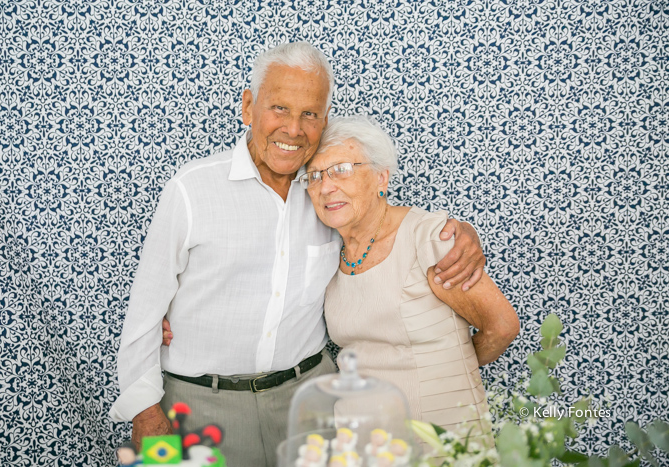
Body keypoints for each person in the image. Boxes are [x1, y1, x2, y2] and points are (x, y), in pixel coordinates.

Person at [111, 42, 485, 467]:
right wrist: (145, 413)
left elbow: (386, 230)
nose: (293, 129)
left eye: (310, 114)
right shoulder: (192, 189)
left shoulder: (330, 197)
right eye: (279, 109)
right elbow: (144, 315)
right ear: (248, 107)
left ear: (324, 120)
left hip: (310, 402)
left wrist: (460, 233)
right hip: (199, 404)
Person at [301, 116, 520, 449]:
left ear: (381, 177)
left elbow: (502, 326)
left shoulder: (431, 240)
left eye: (341, 169)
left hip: (438, 441)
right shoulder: (329, 256)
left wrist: (448, 368)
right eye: (314, 176)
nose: (325, 186)